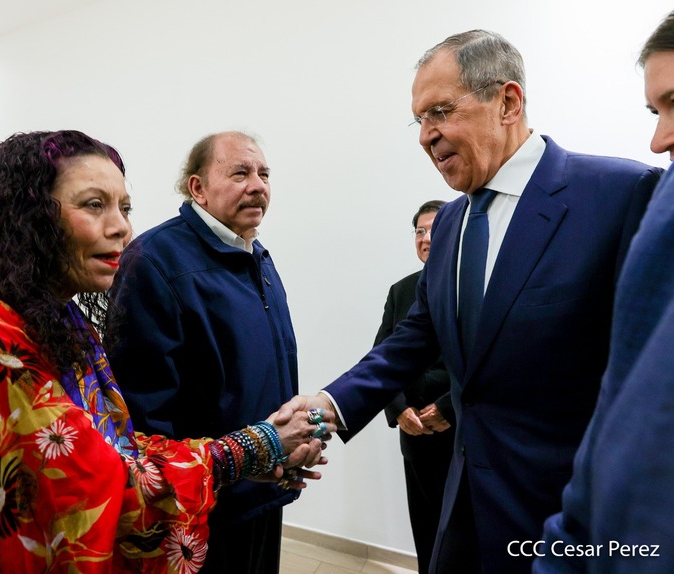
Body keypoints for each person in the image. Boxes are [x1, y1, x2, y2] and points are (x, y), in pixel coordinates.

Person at [0, 130, 334, 574]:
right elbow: (94, 488)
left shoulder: (57, 318)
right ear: (26, 218)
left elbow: (116, 445)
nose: (121, 227)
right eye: (94, 205)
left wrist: (252, 455)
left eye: (125, 207)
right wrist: (248, 450)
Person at [277, 30, 663, 574]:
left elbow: (649, 376)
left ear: (508, 102)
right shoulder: (452, 223)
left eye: (440, 111)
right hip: (460, 507)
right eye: (419, 120)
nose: (425, 136)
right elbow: (415, 338)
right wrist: (327, 406)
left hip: (562, 515)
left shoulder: (620, 194)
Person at [105, 130, 300, 573]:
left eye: (264, 174)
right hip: (204, 505)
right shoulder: (154, 260)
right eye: (240, 173)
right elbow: (144, 410)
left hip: (265, 486)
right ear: (198, 188)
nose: (258, 185)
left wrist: (289, 445)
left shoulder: (255, 255)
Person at [533, 12, 674, 573]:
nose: (659, 140)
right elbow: (623, 392)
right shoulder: (666, 206)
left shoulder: (628, 191)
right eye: (655, 111)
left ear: (508, 102)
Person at [374, 199, 453, 574]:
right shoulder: (401, 291)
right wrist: (399, 408)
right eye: (420, 231)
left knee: (461, 535)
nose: (425, 238)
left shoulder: (478, 287)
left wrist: (448, 407)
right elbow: (381, 359)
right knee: (425, 528)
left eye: (434, 230)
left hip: (461, 432)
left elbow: (487, 364)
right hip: (415, 433)